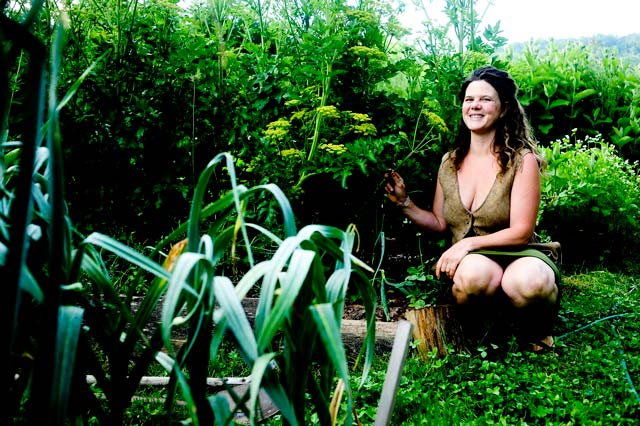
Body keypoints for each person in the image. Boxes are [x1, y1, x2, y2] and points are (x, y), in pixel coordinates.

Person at [384, 66, 559, 351]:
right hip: (477, 264)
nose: (475, 105)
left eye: (485, 99)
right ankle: (491, 329)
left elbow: (522, 232)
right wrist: (405, 204)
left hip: (520, 253)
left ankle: (536, 329)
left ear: (503, 110)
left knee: (528, 282)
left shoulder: (522, 160)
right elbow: (441, 223)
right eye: (469, 99)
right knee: (473, 276)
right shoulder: (450, 162)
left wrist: (464, 246)